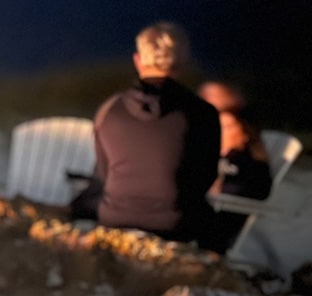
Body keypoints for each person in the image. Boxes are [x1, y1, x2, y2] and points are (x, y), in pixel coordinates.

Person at [86, 22, 221, 248]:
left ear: (138, 60)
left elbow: (103, 173)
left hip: (115, 219)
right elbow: (205, 177)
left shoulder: (108, 109)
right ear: (184, 62)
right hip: (176, 224)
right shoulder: (203, 114)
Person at [205, 106, 272, 252]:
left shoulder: (247, 163)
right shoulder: (217, 155)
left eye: (228, 127)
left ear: (245, 133)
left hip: (219, 220)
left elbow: (255, 191)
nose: (220, 131)